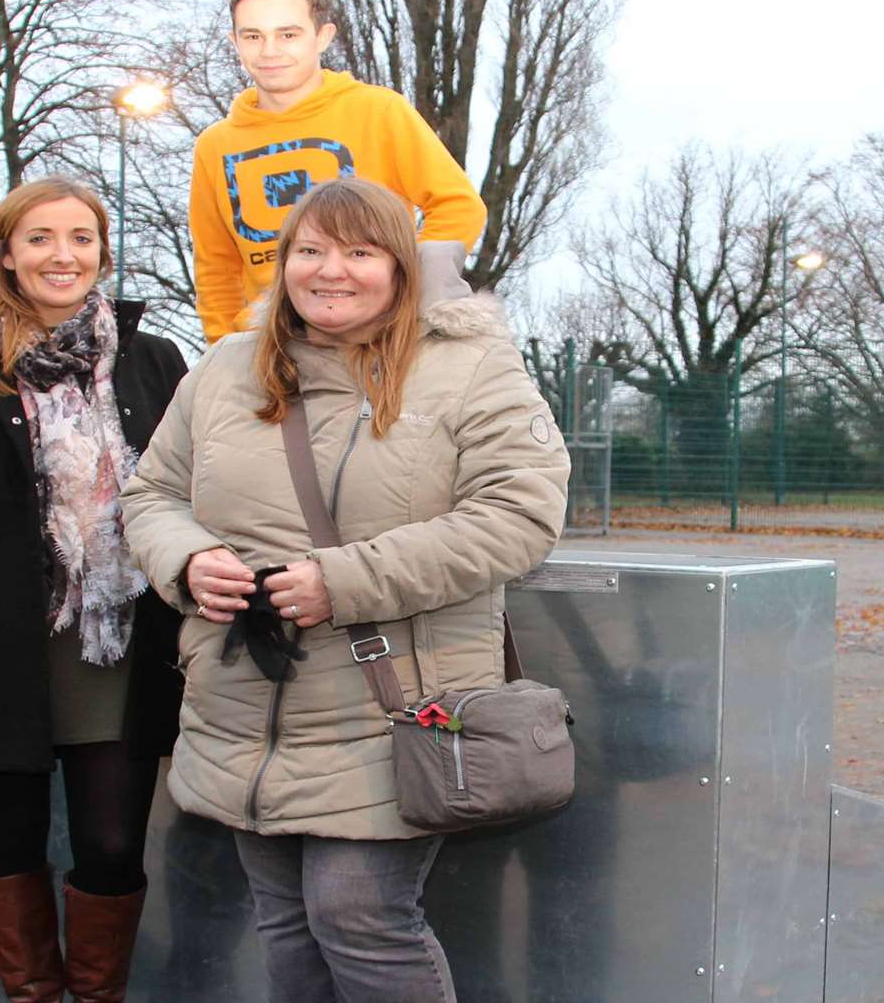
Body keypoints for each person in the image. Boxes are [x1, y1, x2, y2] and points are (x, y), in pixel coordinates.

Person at [121, 177, 568, 1002]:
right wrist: (185, 562)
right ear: (285, 261)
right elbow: (151, 494)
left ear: (399, 266)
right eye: (312, 250)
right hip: (245, 704)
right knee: (286, 925)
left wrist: (344, 580)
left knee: (358, 914)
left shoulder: (470, 367)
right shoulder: (224, 369)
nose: (333, 271)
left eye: (361, 252)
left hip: (397, 702)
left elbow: (520, 514)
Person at [0, 176, 187, 1003]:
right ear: (6, 254)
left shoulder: (153, 359)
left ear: (102, 252)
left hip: (119, 642)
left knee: (113, 845)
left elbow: (193, 489)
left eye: (81, 238)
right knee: (10, 842)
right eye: (42, 238)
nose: (63, 255)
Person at [189, 0, 487, 343]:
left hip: (377, 338)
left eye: (288, 34)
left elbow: (459, 206)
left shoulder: (378, 111)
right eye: (253, 36)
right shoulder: (216, 144)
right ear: (235, 41)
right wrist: (225, 349)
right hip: (275, 346)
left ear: (323, 36)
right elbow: (216, 264)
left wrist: (411, 291)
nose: (269, 51)